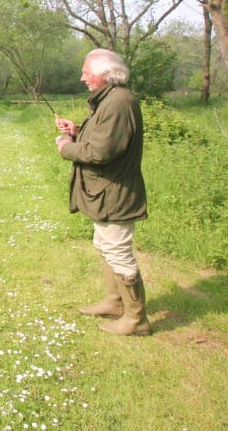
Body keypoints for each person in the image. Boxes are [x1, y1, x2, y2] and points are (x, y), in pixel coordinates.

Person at [55, 48, 151, 336]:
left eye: (87, 72)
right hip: (107, 191)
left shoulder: (119, 102)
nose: (82, 77)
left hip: (116, 192)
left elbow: (101, 152)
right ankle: (114, 302)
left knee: (118, 251)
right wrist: (76, 131)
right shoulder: (111, 99)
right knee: (105, 246)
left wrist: (66, 148)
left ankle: (136, 320)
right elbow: (104, 138)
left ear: (104, 74)